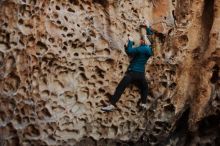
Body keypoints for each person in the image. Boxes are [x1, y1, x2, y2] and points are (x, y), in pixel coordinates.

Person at [101, 20, 154, 112]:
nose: (140, 40)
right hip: (141, 74)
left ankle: (112, 104)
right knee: (145, 87)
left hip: (132, 72)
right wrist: (147, 27)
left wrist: (130, 41)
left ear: (142, 42)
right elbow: (150, 38)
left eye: (141, 40)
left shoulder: (140, 49)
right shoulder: (150, 51)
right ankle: (143, 103)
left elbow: (129, 51)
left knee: (120, 87)